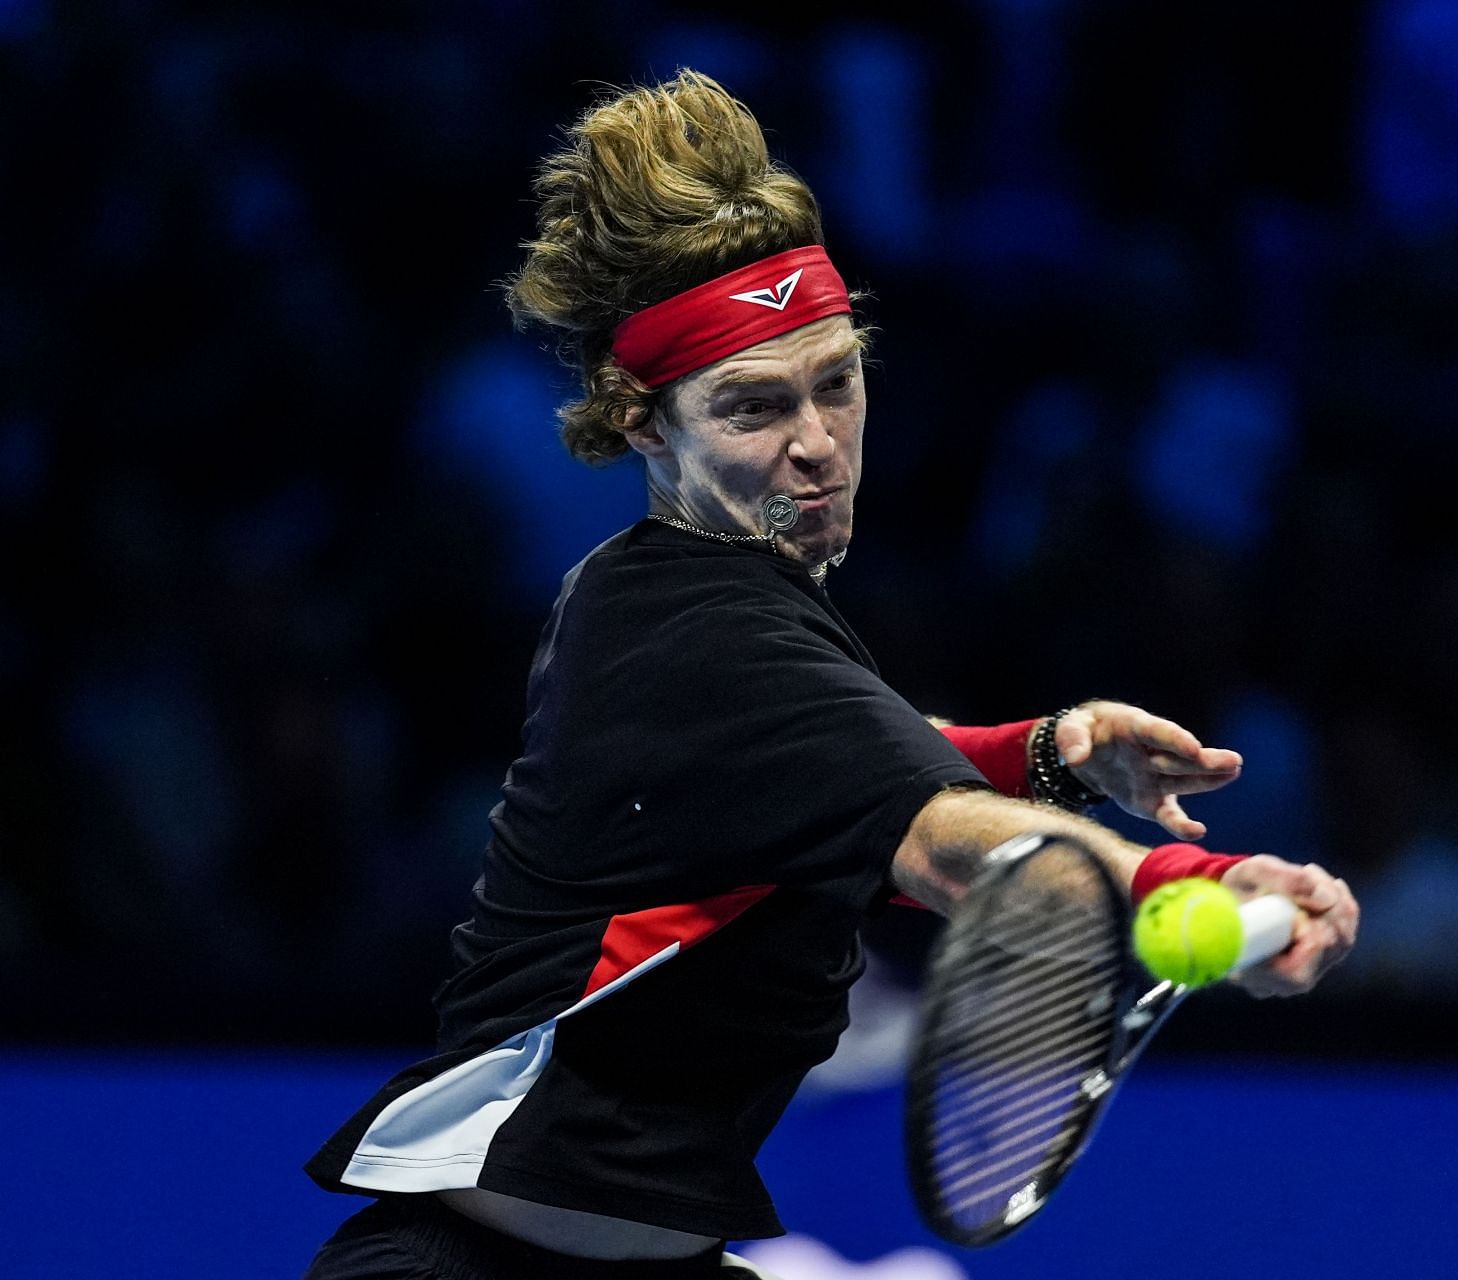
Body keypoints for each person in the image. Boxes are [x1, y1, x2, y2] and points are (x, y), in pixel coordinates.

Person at [301, 70, 1359, 1279]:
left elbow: (839, 775)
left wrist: (1043, 753)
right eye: (753, 406)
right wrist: (1197, 877)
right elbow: (939, 838)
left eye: (836, 381)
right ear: (648, 423)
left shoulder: (691, 613)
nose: (813, 442)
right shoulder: (693, 623)